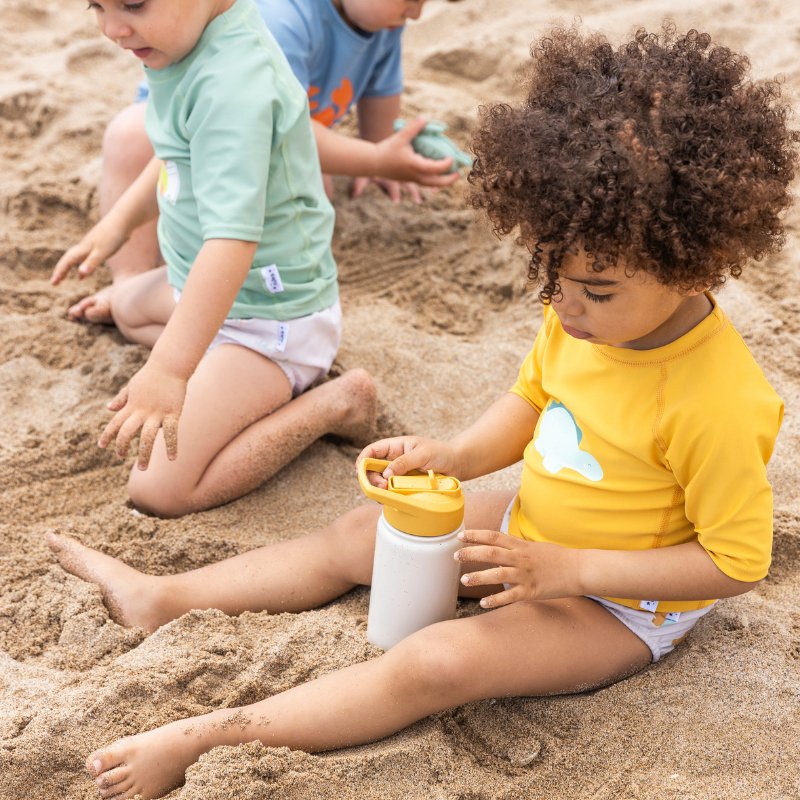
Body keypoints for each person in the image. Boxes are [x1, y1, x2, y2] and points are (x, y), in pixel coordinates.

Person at [48, 22, 795, 800]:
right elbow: (535, 398)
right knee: (361, 534)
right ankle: (162, 597)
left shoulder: (716, 401)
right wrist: (460, 457)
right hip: (539, 530)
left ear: (693, 261)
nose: (565, 307)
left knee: (437, 661)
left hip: (622, 601)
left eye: (595, 292)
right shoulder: (584, 306)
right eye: (554, 278)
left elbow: (734, 564)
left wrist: (571, 569)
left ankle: (198, 743)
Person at [51, 0, 377, 518]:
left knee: (158, 488)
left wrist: (168, 371)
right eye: (96, 5)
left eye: (133, 4)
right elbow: (175, 146)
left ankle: (335, 401)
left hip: (269, 323)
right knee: (125, 307)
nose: (112, 28)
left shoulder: (233, 87)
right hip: (202, 288)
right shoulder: (187, 36)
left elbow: (232, 242)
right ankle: (213, 368)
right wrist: (115, 227)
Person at [66, 0, 460, 325]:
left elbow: (378, 119)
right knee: (130, 134)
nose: (416, 14)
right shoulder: (284, 15)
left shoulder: (384, 26)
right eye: (412, 0)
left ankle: (187, 290)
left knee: (312, 186)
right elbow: (281, 125)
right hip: (193, 134)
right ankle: (130, 278)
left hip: (255, 147)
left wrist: (385, 155)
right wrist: (374, 159)